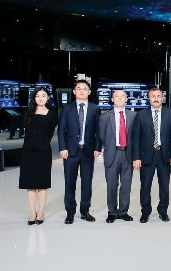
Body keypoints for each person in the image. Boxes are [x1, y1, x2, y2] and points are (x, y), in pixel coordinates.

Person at [57, 79, 101, 224]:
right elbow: (61, 130)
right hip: (70, 152)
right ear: (74, 91)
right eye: (79, 88)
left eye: (85, 89)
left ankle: (85, 211)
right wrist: (62, 147)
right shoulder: (67, 108)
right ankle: (70, 212)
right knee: (70, 183)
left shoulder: (95, 109)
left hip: (88, 152)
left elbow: (98, 131)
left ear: (89, 92)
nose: (82, 91)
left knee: (87, 183)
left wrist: (97, 148)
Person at [132, 87, 171, 223]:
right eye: (153, 96)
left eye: (158, 96)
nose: (156, 99)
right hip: (146, 156)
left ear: (162, 98)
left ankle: (163, 211)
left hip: (165, 155)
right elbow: (136, 137)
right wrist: (136, 157)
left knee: (164, 186)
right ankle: (145, 212)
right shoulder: (141, 115)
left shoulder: (170, 113)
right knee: (145, 186)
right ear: (149, 98)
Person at [19, 87, 58, 225]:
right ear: (34, 98)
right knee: (30, 185)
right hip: (28, 152)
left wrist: (42, 142)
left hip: (43, 152)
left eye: (43, 95)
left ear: (48, 98)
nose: (40, 98)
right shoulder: (28, 113)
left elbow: (50, 133)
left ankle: (40, 212)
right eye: (37, 96)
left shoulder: (52, 114)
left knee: (42, 184)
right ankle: (32, 212)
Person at [98, 90, 135, 223]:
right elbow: (102, 136)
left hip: (128, 154)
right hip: (112, 154)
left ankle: (123, 211)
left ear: (126, 99)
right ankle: (112, 212)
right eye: (116, 96)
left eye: (122, 96)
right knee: (112, 185)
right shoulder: (104, 117)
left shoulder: (133, 116)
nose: (119, 98)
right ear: (112, 99)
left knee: (126, 185)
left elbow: (136, 136)